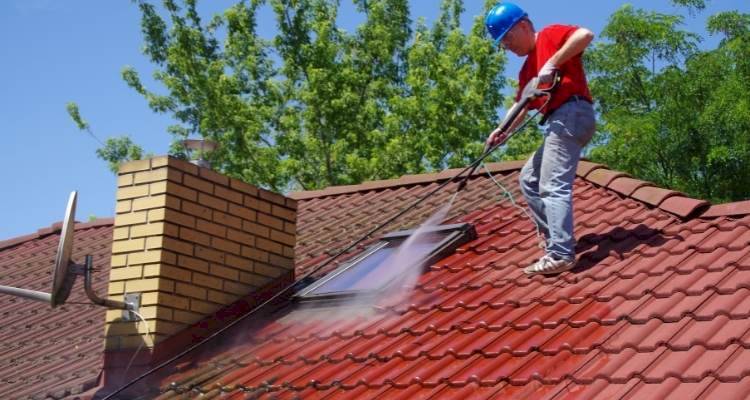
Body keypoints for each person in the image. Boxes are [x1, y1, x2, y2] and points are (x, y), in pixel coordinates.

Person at [484, 2, 596, 276]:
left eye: (507, 38)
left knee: (551, 183)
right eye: (503, 44)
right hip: (560, 120)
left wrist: (553, 62)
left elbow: (585, 34)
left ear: (523, 25)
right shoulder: (526, 72)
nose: (507, 47)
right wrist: (502, 130)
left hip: (572, 113)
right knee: (529, 180)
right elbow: (522, 104)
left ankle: (561, 253)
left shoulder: (549, 35)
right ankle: (554, 242)